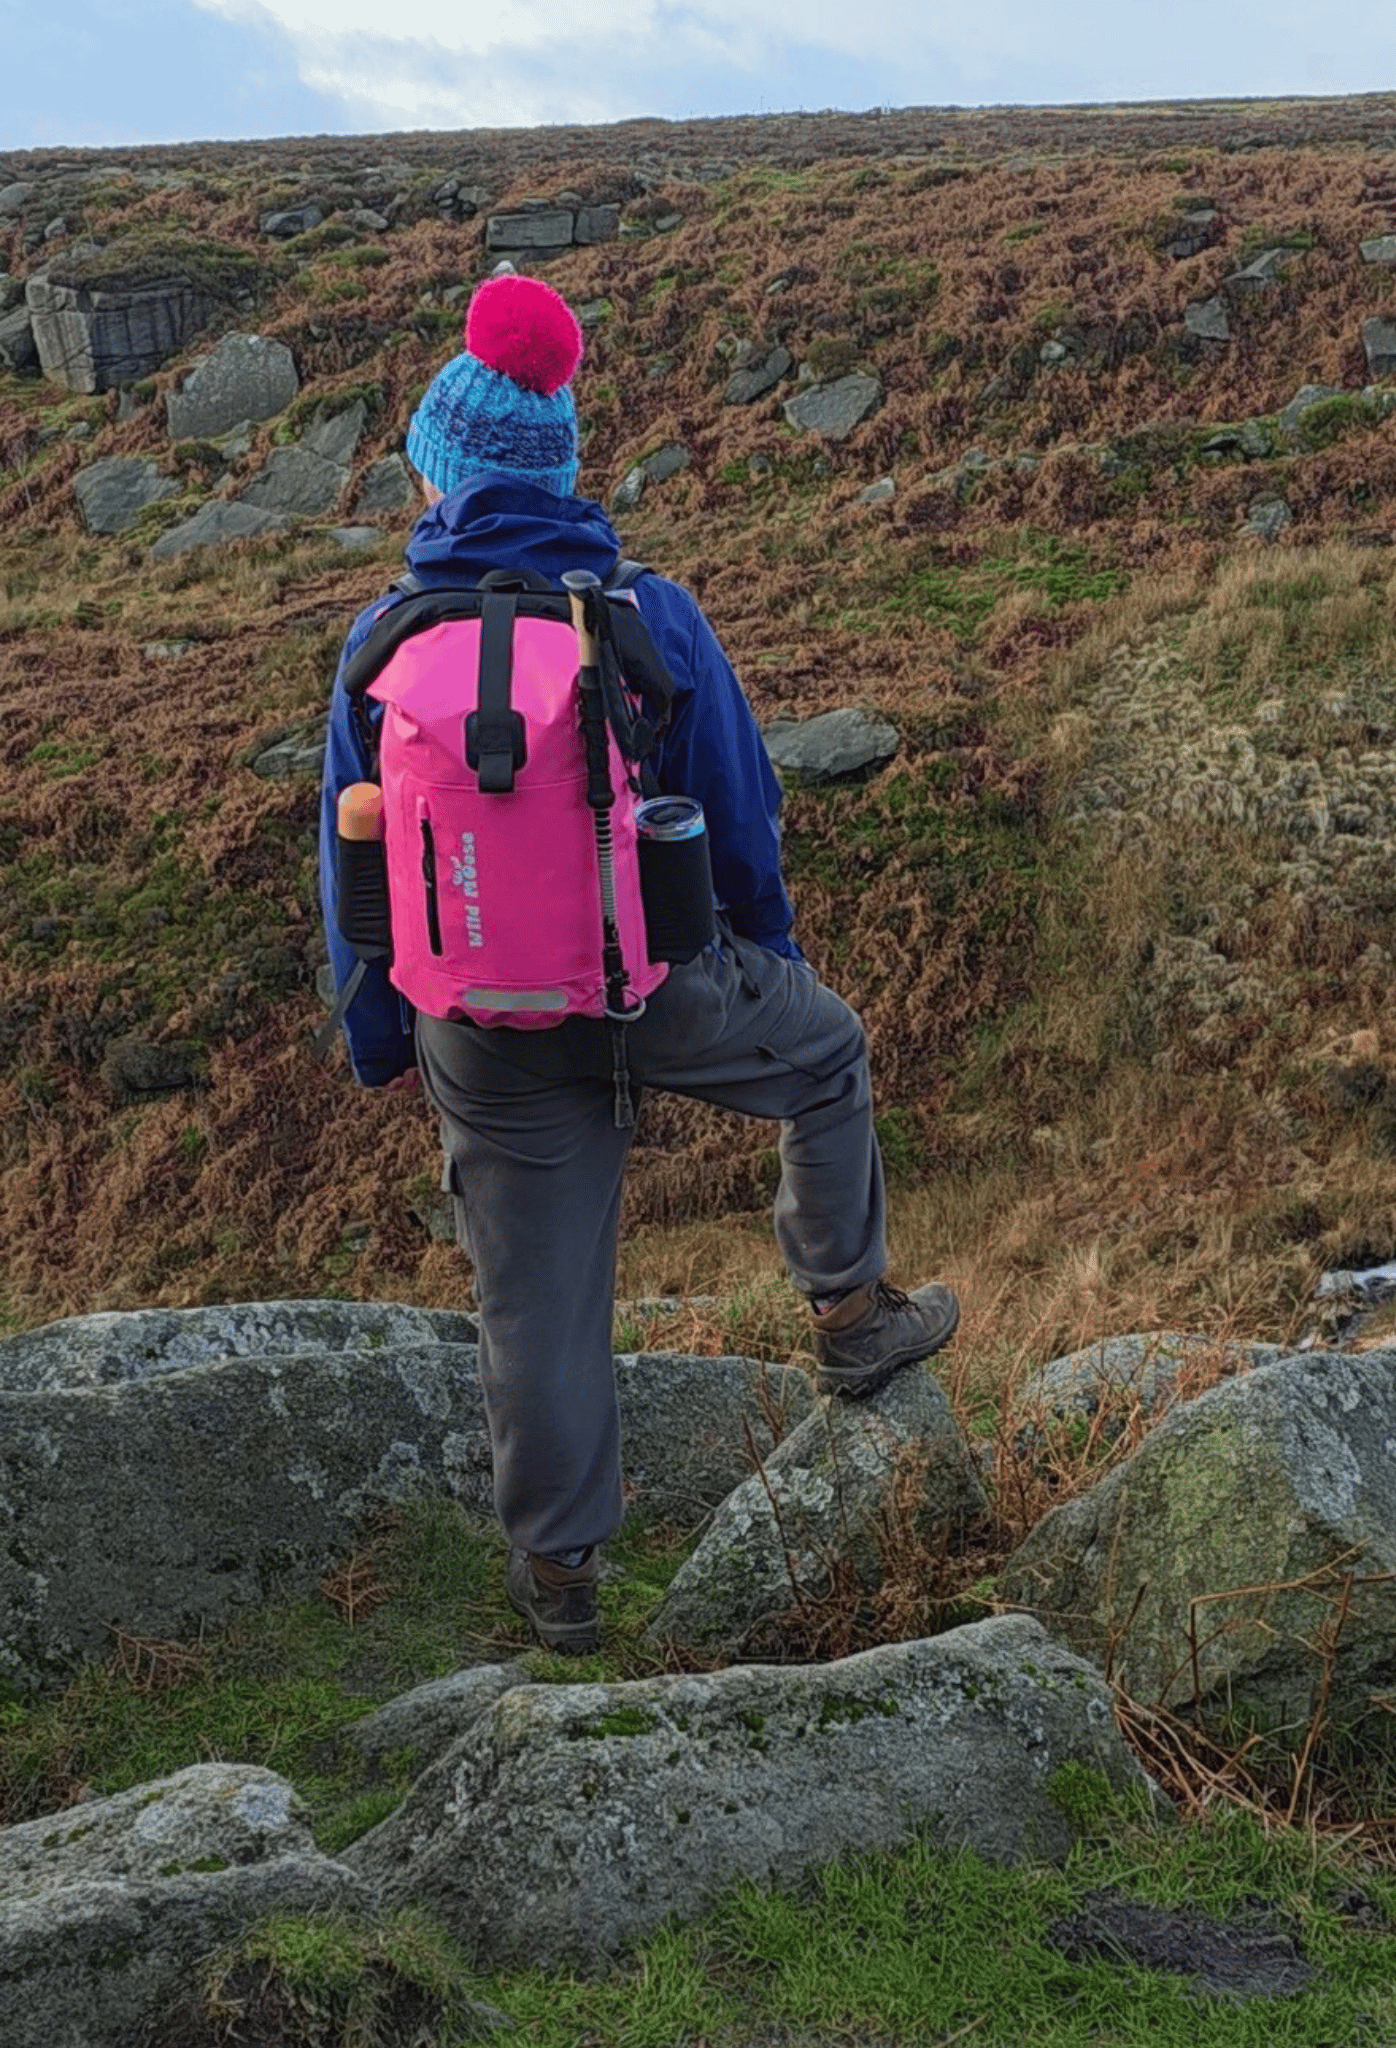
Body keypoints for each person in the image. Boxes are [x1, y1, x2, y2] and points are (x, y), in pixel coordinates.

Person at [320, 274, 959, 1654]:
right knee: (830, 1056)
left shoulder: (381, 643)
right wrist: (760, 969)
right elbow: (740, 814)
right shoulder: (646, 613)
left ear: (440, 474)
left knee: (534, 1302)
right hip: (666, 986)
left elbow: (355, 866)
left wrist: (383, 1039)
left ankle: (560, 1582)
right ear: (559, 466)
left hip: (482, 1030)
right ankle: (850, 1313)